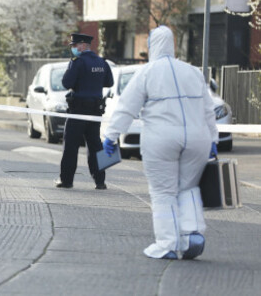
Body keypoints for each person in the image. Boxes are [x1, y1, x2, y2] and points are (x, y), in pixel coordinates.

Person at [102, 25, 218, 260]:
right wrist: (213, 139)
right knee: (188, 187)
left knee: (163, 191)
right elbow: (208, 109)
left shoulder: (147, 73)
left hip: (162, 138)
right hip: (198, 138)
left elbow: (127, 108)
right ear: (173, 44)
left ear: (152, 45)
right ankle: (191, 235)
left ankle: (167, 244)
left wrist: (111, 136)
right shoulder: (193, 72)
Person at [55, 33, 114, 190]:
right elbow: (109, 82)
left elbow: (67, 83)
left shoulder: (78, 62)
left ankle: (66, 180)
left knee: (71, 146)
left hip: (78, 110)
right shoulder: (102, 62)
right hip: (95, 111)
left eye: (75, 46)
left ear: (82, 45)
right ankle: (100, 181)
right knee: (96, 146)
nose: (73, 48)